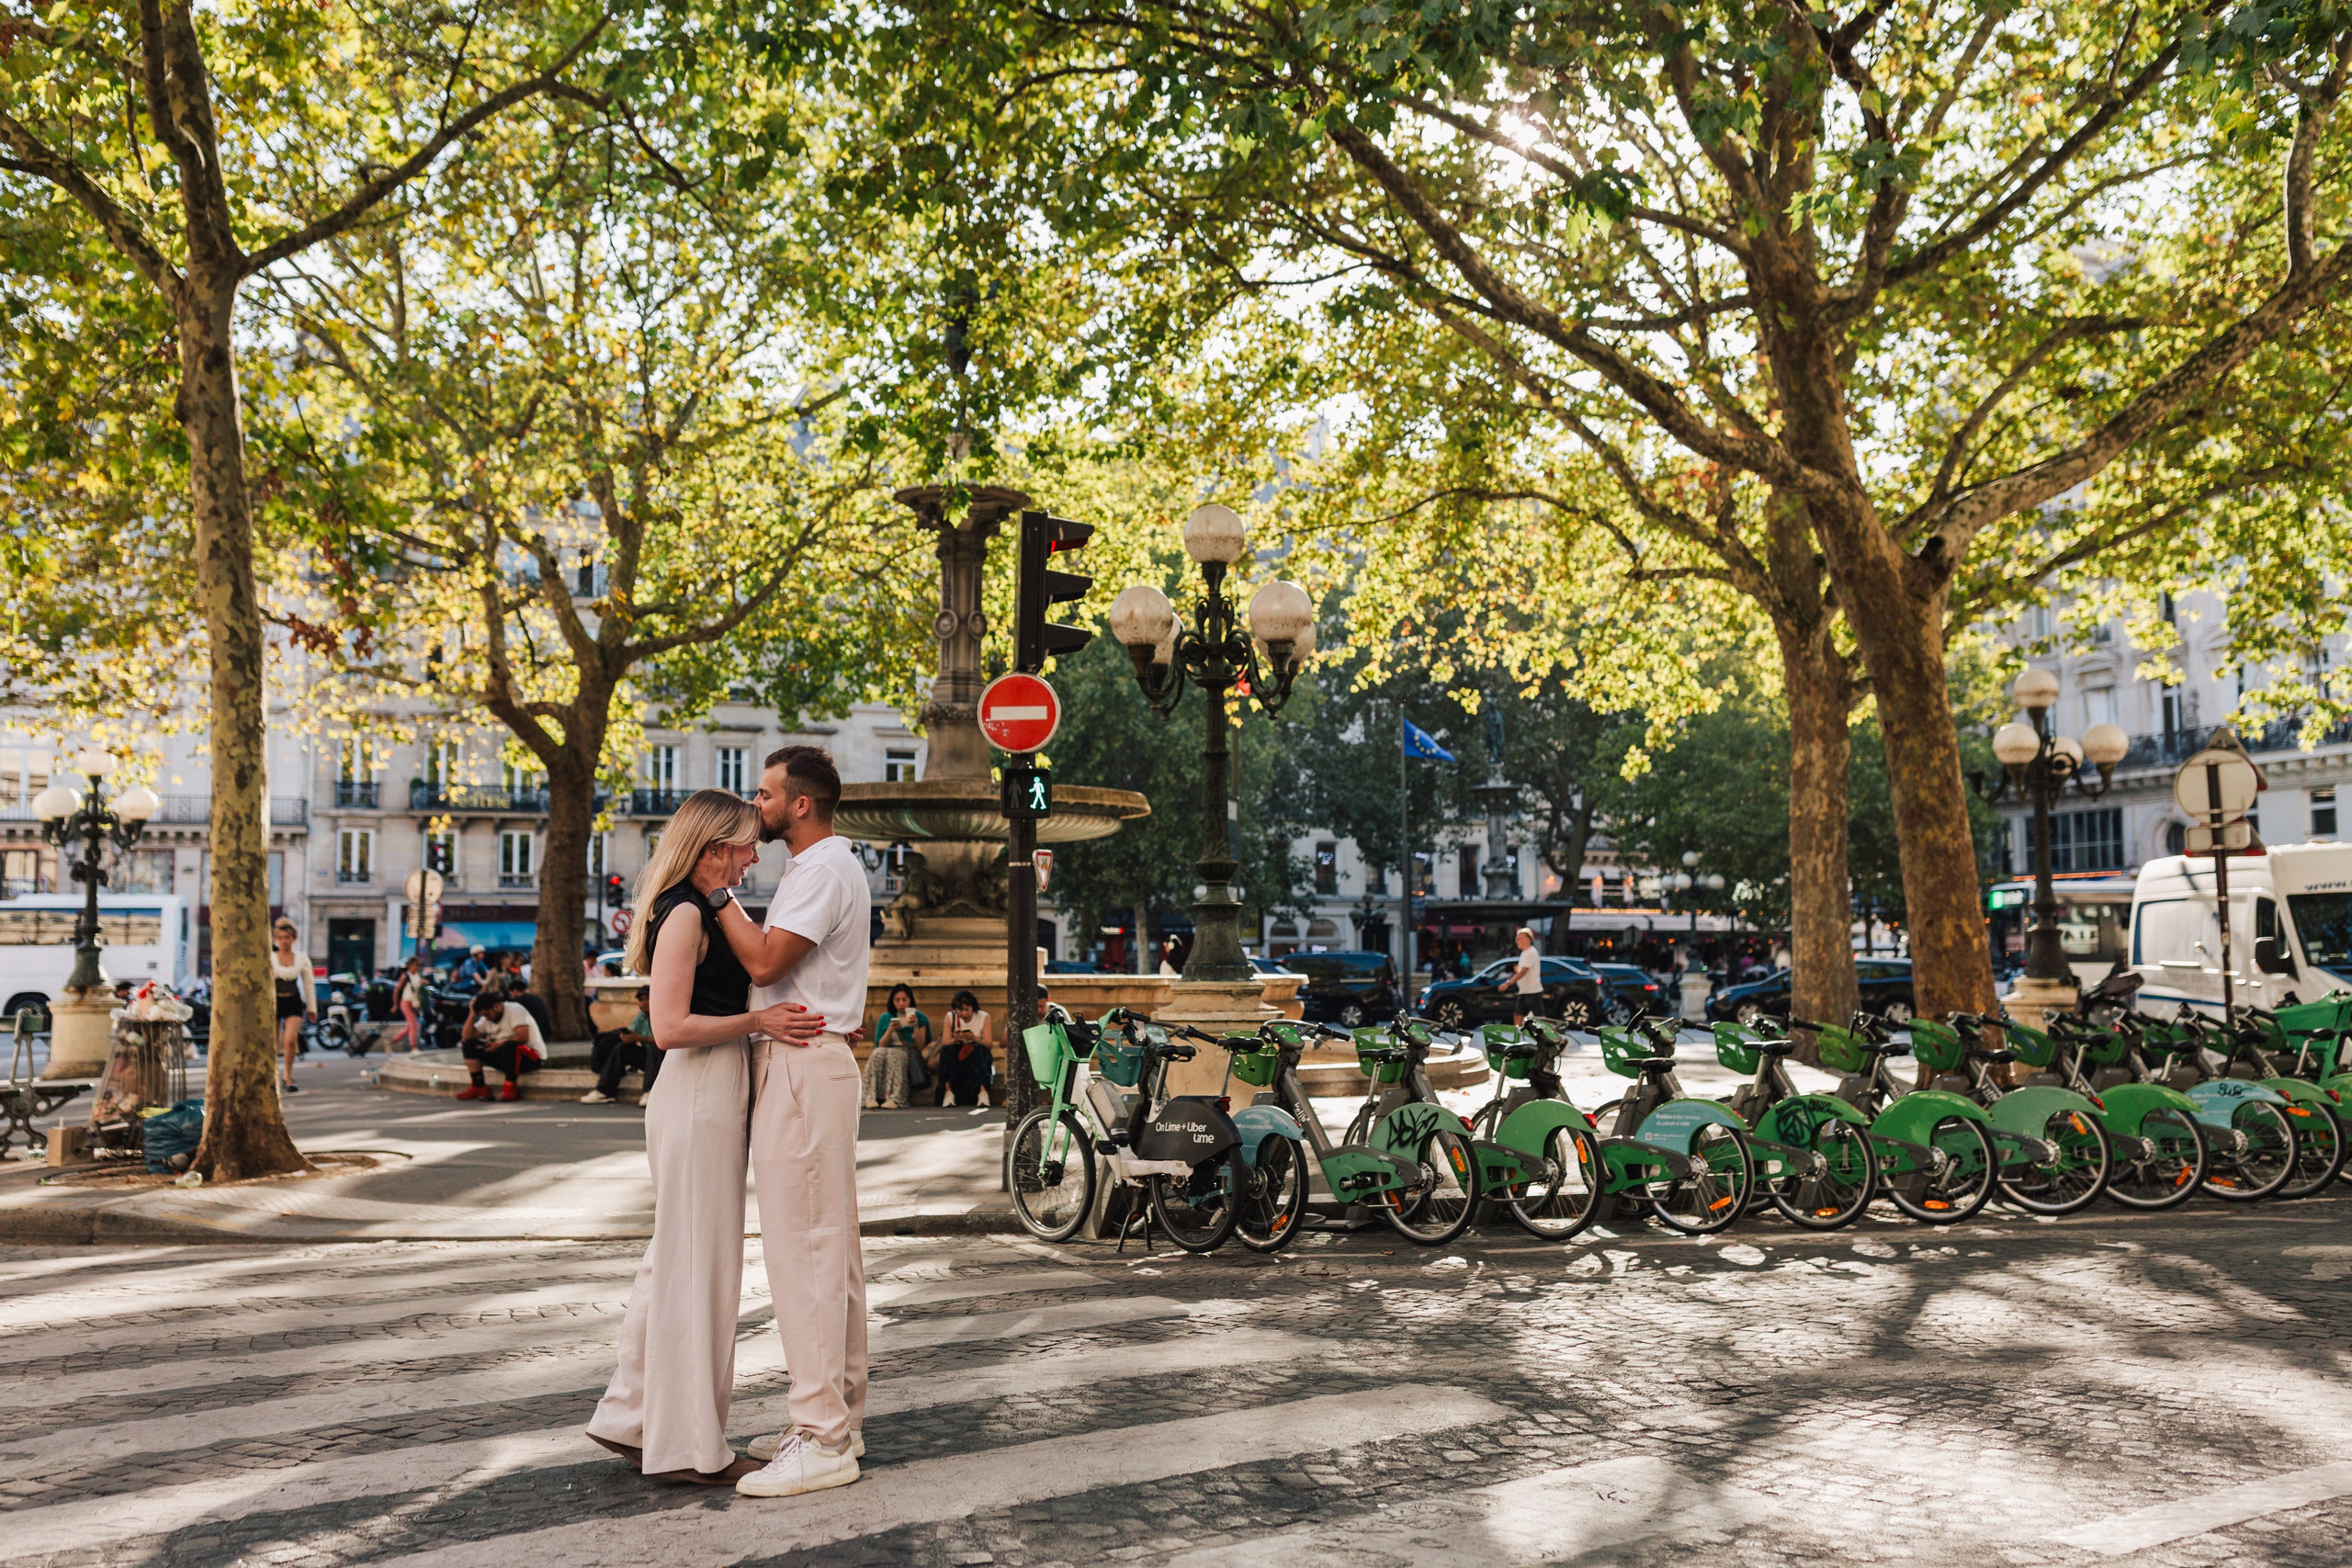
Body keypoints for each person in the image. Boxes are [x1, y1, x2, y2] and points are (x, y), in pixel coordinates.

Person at [586, 790, 824, 1487]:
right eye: (746, 843)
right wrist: (761, 1023)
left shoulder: (701, 905)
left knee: (676, 1261)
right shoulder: (687, 913)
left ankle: (631, 1417)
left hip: (702, 1093)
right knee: (702, 1269)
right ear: (714, 845)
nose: (756, 855)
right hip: (697, 1091)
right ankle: (690, 1447)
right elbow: (667, 1028)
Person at [712, 745, 870, 1499]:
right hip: (818, 1060)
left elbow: (770, 961)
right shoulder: (829, 866)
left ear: (799, 804)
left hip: (805, 1065)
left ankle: (822, 1435)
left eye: (767, 793)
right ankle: (838, 1416)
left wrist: (718, 895)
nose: (759, 804)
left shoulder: (821, 868)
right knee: (828, 1253)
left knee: (803, 1251)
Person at [456, 989, 547, 1102]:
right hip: (505, 1057)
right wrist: (472, 1014)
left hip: (530, 1057)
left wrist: (498, 1045)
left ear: (496, 1006)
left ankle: (510, 1086)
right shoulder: (487, 1018)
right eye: (483, 1015)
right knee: (469, 1044)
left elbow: (523, 1037)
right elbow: (467, 1036)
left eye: (487, 1014)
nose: (486, 1018)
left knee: (510, 1045)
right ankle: (478, 1086)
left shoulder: (515, 1009)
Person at [582, 979, 660, 1104]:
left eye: (647, 999)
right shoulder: (641, 1017)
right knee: (622, 1048)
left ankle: (649, 1091)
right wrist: (627, 1037)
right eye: (641, 1000)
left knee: (655, 1048)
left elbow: (665, 1041)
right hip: (648, 1060)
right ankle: (604, 1091)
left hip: (664, 1060)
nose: (644, 1003)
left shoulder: (662, 1014)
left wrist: (639, 1038)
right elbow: (633, 1034)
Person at [864, 984, 929, 1109]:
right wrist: (890, 1030)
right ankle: (869, 1096)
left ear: (910, 1000)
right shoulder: (885, 1018)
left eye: (904, 1000)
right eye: (897, 1000)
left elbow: (920, 1046)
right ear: (892, 1001)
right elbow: (880, 1044)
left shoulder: (920, 1017)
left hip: (907, 1051)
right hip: (887, 1050)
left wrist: (916, 1026)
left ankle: (896, 1098)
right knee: (877, 1053)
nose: (901, 1004)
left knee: (895, 1054)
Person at [270, 920, 314, 1093]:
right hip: (274, 1002)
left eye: (287, 937)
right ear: (276, 939)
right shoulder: (271, 957)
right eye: (280, 938)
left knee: (289, 1040)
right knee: (272, 1043)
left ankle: (287, 1077)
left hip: (294, 1001)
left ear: (294, 938)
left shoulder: (301, 958)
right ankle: (271, 1077)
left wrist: (312, 1008)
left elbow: (309, 983)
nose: (284, 941)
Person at [933, 989, 995, 1107]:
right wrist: (956, 1038)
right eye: (960, 1010)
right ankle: (948, 1092)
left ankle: (983, 1093)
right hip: (956, 1053)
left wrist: (974, 1038)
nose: (964, 1014)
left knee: (983, 1053)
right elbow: (945, 1042)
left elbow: (988, 1044)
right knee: (946, 1052)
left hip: (975, 1052)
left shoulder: (984, 1017)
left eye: (967, 1010)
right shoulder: (950, 1017)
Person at [1497, 926, 1544, 1025]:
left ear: (1526, 939)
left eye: (1518, 938)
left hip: (1533, 992)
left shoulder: (1531, 952)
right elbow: (1519, 972)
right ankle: (1518, 1040)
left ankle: (1561, 1040)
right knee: (1518, 1018)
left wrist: (1508, 984)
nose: (1516, 941)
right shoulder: (1524, 953)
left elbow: (1523, 972)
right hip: (1524, 992)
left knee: (1542, 1021)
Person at [392, 955, 426, 1054]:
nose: (418, 967)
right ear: (410, 965)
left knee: (409, 1027)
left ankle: (391, 1041)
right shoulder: (405, 976)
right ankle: (413, 1047)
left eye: (419, 965)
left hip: (414, 1004)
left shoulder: (418, 975)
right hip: (405, 1003)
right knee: (413, 1025)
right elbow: (396, 990)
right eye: (416, 965)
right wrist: (395, 1005)